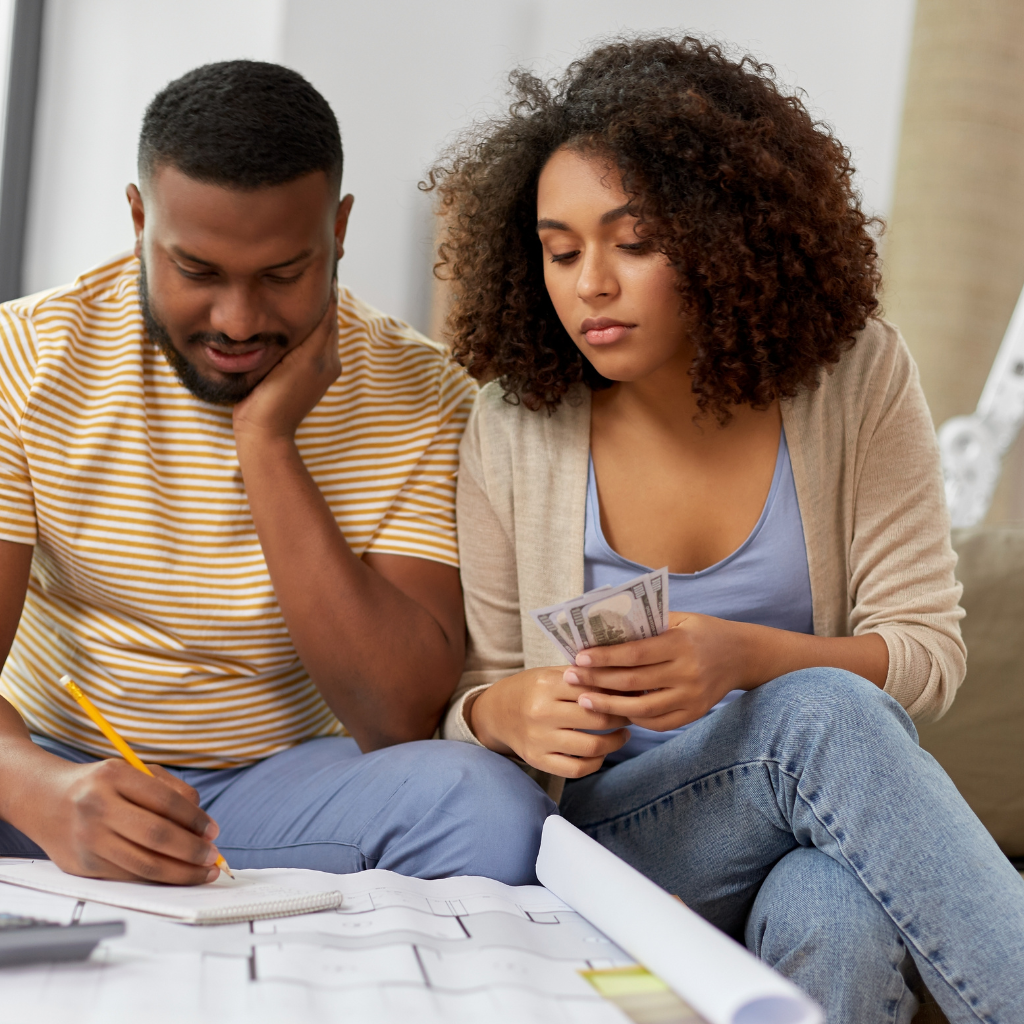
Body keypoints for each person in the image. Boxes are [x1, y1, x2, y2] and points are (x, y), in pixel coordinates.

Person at [428, 36, 1024, 1023]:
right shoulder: (514, 424)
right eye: (560, 249)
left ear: (722, 236)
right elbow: (467, 693)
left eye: (633, 242)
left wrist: (741, 656)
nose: (590, 286)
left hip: (813, 822)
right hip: (622, 843)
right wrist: (503, 714)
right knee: (820, 712)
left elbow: (926, 656)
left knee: (833, 912)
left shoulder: (856, 377)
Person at [0, 60, 553, 888]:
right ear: (138, 217)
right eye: (198, 272)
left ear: (339, 229)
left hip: (276, 787)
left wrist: (266, 443)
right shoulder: (27, 358)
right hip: (46, 766)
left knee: (487, 809)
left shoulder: (429, 395)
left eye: (283, 275)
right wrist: (39, 791)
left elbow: (396, 718)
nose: (238, 321)